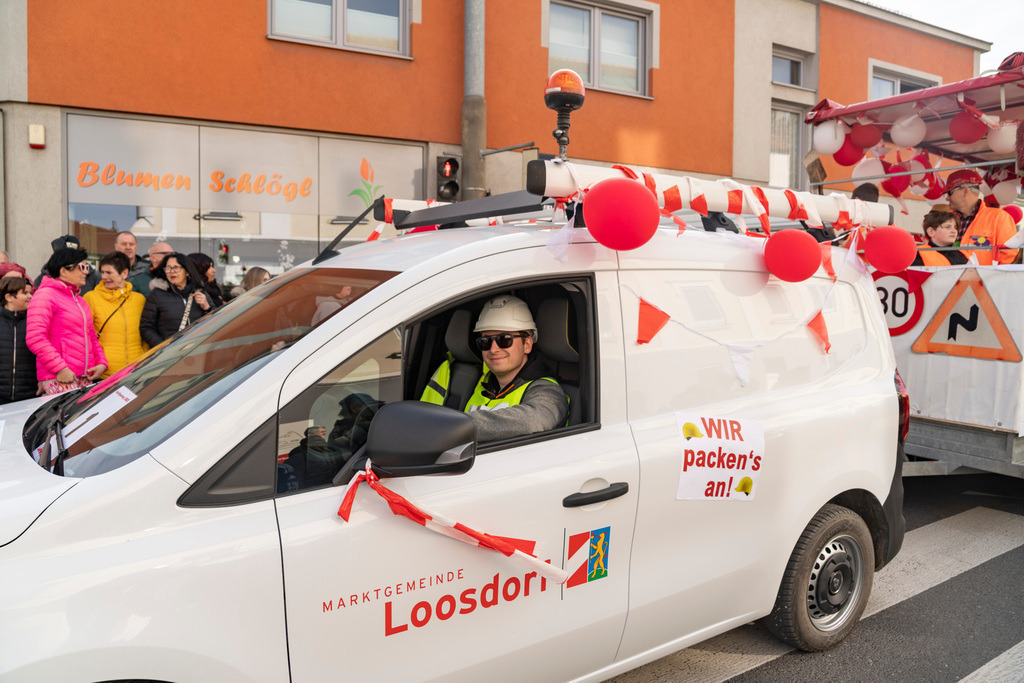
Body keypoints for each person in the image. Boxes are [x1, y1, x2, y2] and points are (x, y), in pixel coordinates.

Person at [421, 295, 568, 441]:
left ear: (527, 344)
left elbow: (534, 420)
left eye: (505, 340)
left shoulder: (547, 391)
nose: (493, 349)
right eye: (485, 341)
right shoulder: (480, 383)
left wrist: (452, 425)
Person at [27, 248, 107, 395]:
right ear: (64, 271)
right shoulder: (44, 296)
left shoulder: (80, 301)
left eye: (87, 267)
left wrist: (102, 363)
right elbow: (35, 338)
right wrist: (60, 368)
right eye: (81, 267)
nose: (86, 272)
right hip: (59, 377)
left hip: (84, 377)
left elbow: (91, 337)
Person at [84, 252, 148, 378]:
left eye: (109, 273)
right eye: (102, 272)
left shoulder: (139, 299)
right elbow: (86, 335)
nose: (104, 277)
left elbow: (146, 332)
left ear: (124, 273)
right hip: (105, 373)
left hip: (136, 372)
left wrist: (144, 356)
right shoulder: (91, 298)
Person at [139, 252, 216, 347]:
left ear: (187, 272)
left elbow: (215, 322)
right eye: (168, 268)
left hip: (196, 349)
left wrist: (207, 307)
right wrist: (161, 347)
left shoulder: (200, 293)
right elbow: (146, 327)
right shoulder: (157, 295)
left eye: (176, 267)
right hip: (169, 353)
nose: (172, 271)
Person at [945, 169, 1019, 265]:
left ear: (966, 190)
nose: (947, 198)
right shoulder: (946, 219)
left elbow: (1008, 254)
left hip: (984, 279)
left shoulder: (999, 217)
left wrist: (990, 277)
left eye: (949, 193)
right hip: (949, 277)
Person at [0, 277, 38, 404]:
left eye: (30, 293)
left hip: (29, 396)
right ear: (9, 297)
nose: (30, 297)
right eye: (25, 293)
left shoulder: (35, 320)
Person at [34, 235, 100, 291]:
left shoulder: (93, 278)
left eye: (72, 254)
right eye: (62, 255)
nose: (85, 271)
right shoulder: (41, 280)